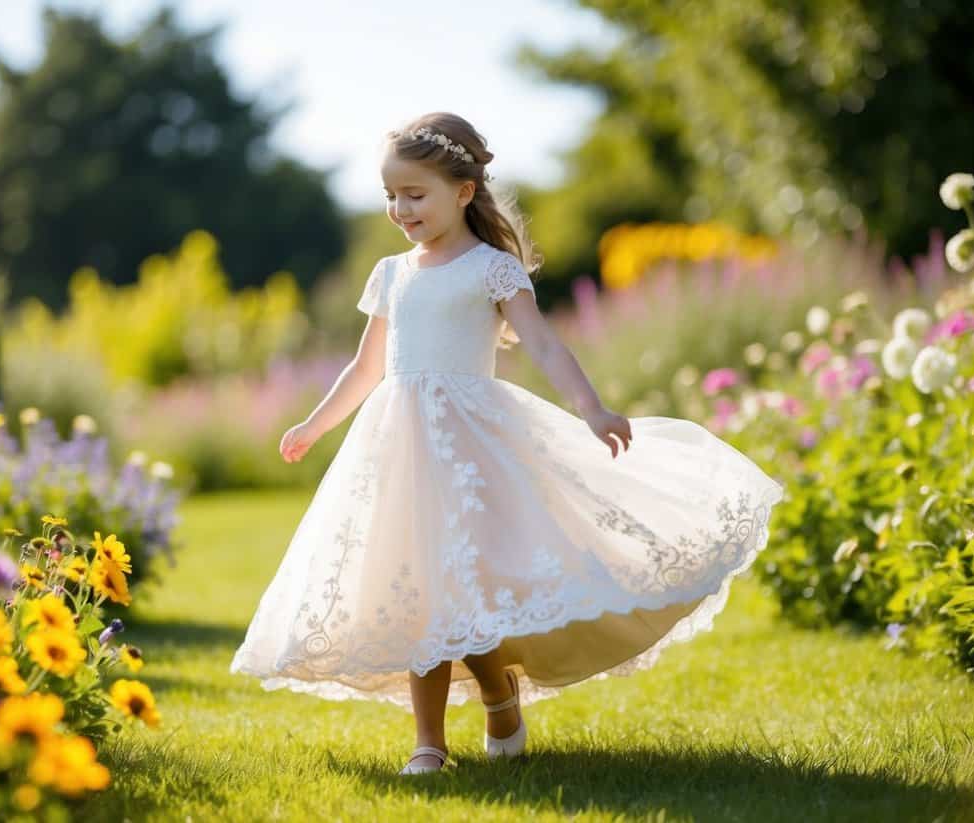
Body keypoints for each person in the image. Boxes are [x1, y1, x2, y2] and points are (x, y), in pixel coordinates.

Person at [228, 112, 785, 776]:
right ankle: (428, 742)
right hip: (400, 448)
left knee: (464, 593)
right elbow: (366, 368)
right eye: (392, 195)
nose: (400, 209)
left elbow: (545, 343)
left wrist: (592, 407)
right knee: (418, 589)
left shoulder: (491, 269)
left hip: (471, 450)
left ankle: (498, 692)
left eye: (416, 193)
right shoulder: (390, 274)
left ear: (464, 191)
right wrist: (314, 425)